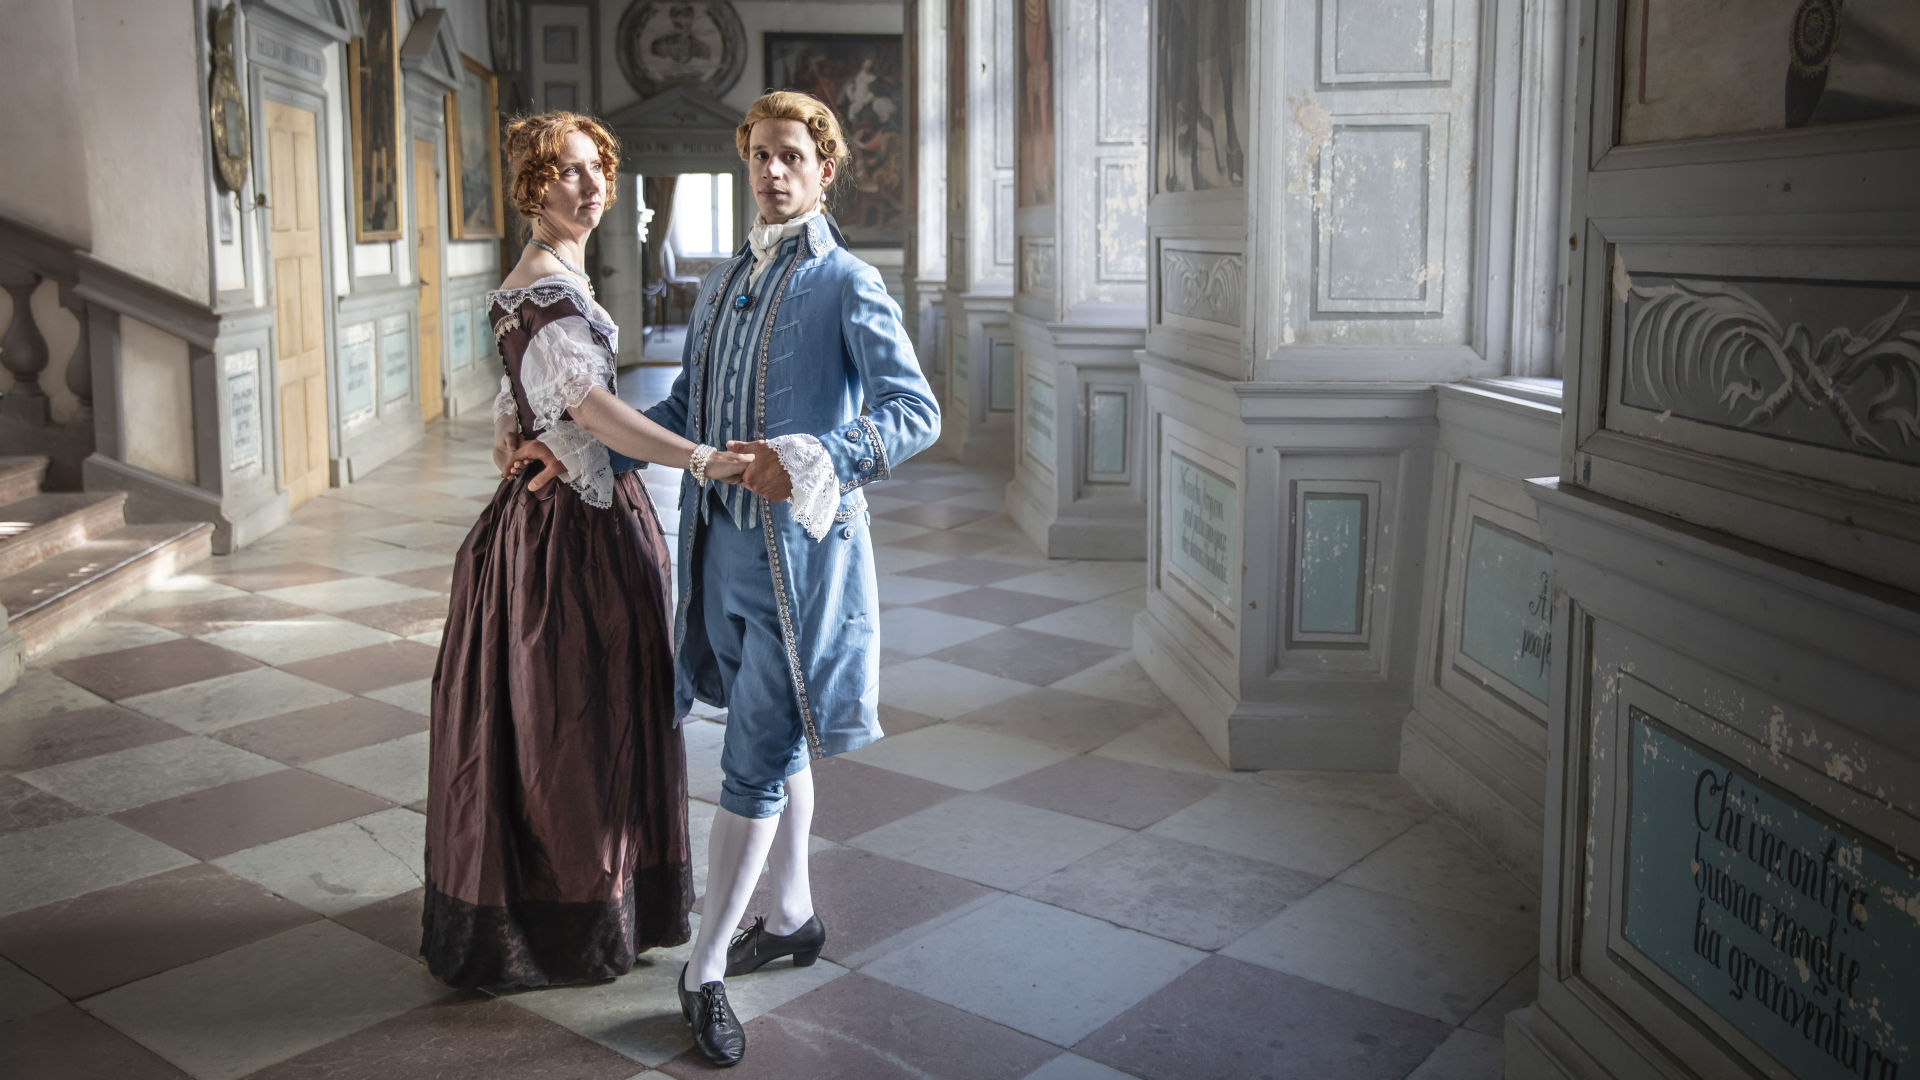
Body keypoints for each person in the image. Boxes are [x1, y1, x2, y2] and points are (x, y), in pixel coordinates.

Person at [519, 90, 939, 1068]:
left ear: (826, 168)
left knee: (757, 753)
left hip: (802, 565)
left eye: (793, 156)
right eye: (760, 156)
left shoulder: (846, 284)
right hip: (719, 559)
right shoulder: (719, 286)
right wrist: (580, 451)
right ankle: (791, 915)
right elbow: (685, 403)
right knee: (769, 735)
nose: (775, 172)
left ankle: (703, 969)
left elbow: (914, 413)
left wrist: (818, 456)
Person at [421, 111, 754, 991]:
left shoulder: (547, 279)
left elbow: (525, 391)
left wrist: (513, 436)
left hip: (566, 515)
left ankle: (592, 901)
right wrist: (702, 458)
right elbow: (596, 412)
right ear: (534, 186)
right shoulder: (545, 285)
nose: (589, 185)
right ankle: (563, 921)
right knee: (572, 723)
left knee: (587, 718)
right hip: (568, 538)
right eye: (567, 172)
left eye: (596, 168)